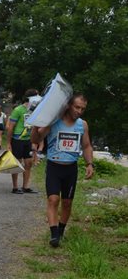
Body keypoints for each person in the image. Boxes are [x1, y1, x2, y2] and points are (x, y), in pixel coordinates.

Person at [31, 93, 94, 247]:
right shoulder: (54, 122)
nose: (79, 111)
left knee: (66, 203)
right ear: (68, 105)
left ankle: (61, 230)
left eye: (82, 109)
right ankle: (54, 235)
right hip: (54, 167)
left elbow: (86, 145)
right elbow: (36, 139)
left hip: (71, 169)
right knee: (53, 200)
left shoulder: (82, 125)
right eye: (77, 107)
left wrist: (89, 164)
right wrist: (35, 124)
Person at [7, 91, 39, 194]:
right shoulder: (18, 110)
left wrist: (35, 142)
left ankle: (25, 186)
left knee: (28, 163)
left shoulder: (34, 110)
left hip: (28, 140)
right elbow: (10, 127)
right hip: (17, 139)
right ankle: (15, 187)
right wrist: (9, 143)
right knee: (17, 163)